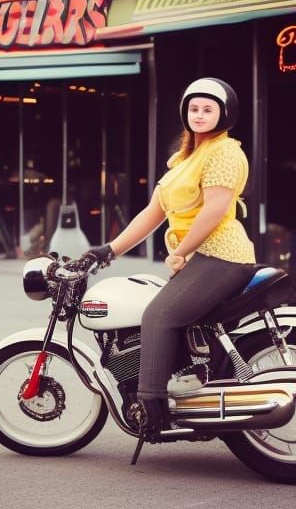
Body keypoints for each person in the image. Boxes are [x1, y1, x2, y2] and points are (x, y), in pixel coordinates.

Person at [75, 78, 257, 441]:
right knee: (170, 319)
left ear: (224, 114)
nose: (200, 115)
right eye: (194, 108)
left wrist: (181, 249)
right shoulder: (184, 160)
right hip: (198, 257)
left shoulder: (225, 152)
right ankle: (182, 392)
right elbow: (152, 213)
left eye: (208, 109)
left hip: (221, 254)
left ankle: (151, 410)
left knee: (157, 316)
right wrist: (109, 250)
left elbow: (216, 209)